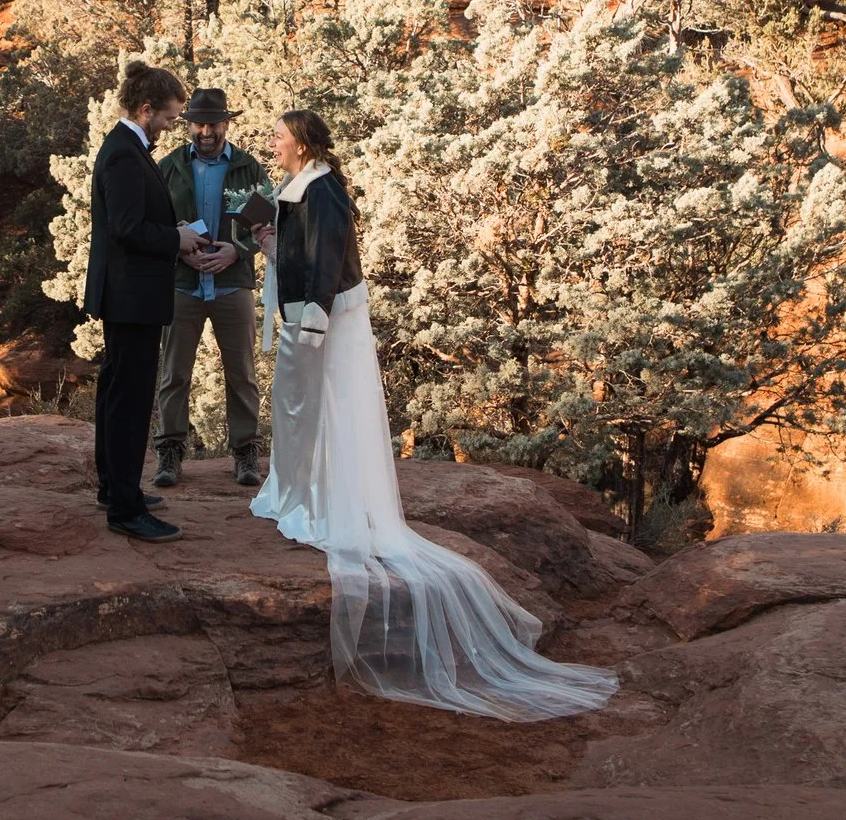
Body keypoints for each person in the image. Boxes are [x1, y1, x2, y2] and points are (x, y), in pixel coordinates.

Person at [250, 109, 617, 721]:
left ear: (304, 141)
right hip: (308, 317)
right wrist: (270, 245)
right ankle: (299, 489)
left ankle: (325, 499)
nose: (272, 140)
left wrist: (311, 318)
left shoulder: (324, 191)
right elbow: (300, 251)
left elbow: (325, 261)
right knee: (301, 410)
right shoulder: (299, 188)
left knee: (328, 408)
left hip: (324, 321)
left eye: (279, 133)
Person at [82, 58, 205, 543]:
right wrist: (177, 240)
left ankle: (114, 488)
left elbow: (130, 222)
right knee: (129, 399)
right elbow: (128, 228)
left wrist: (172, 232)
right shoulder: (122, 155)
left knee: (117, 390)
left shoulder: (128, 149)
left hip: (128, 291)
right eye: (171, 116)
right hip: (131, 294)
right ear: (147, 108)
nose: (173, 125)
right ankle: (125, 509)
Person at [151, 88, 271, 490]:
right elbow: (152, 223)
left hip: (231, 285)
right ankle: (169, 454)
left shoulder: (248, 168)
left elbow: (267, 225)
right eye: (198, 124)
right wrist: (179, 251)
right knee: (174, 373)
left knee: (242, 373)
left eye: (213, 124)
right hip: (181, 284)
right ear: (188, 125)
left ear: (226, 124)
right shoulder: (167, 168)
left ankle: (245, 453)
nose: (205, 131)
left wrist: (236, 252)